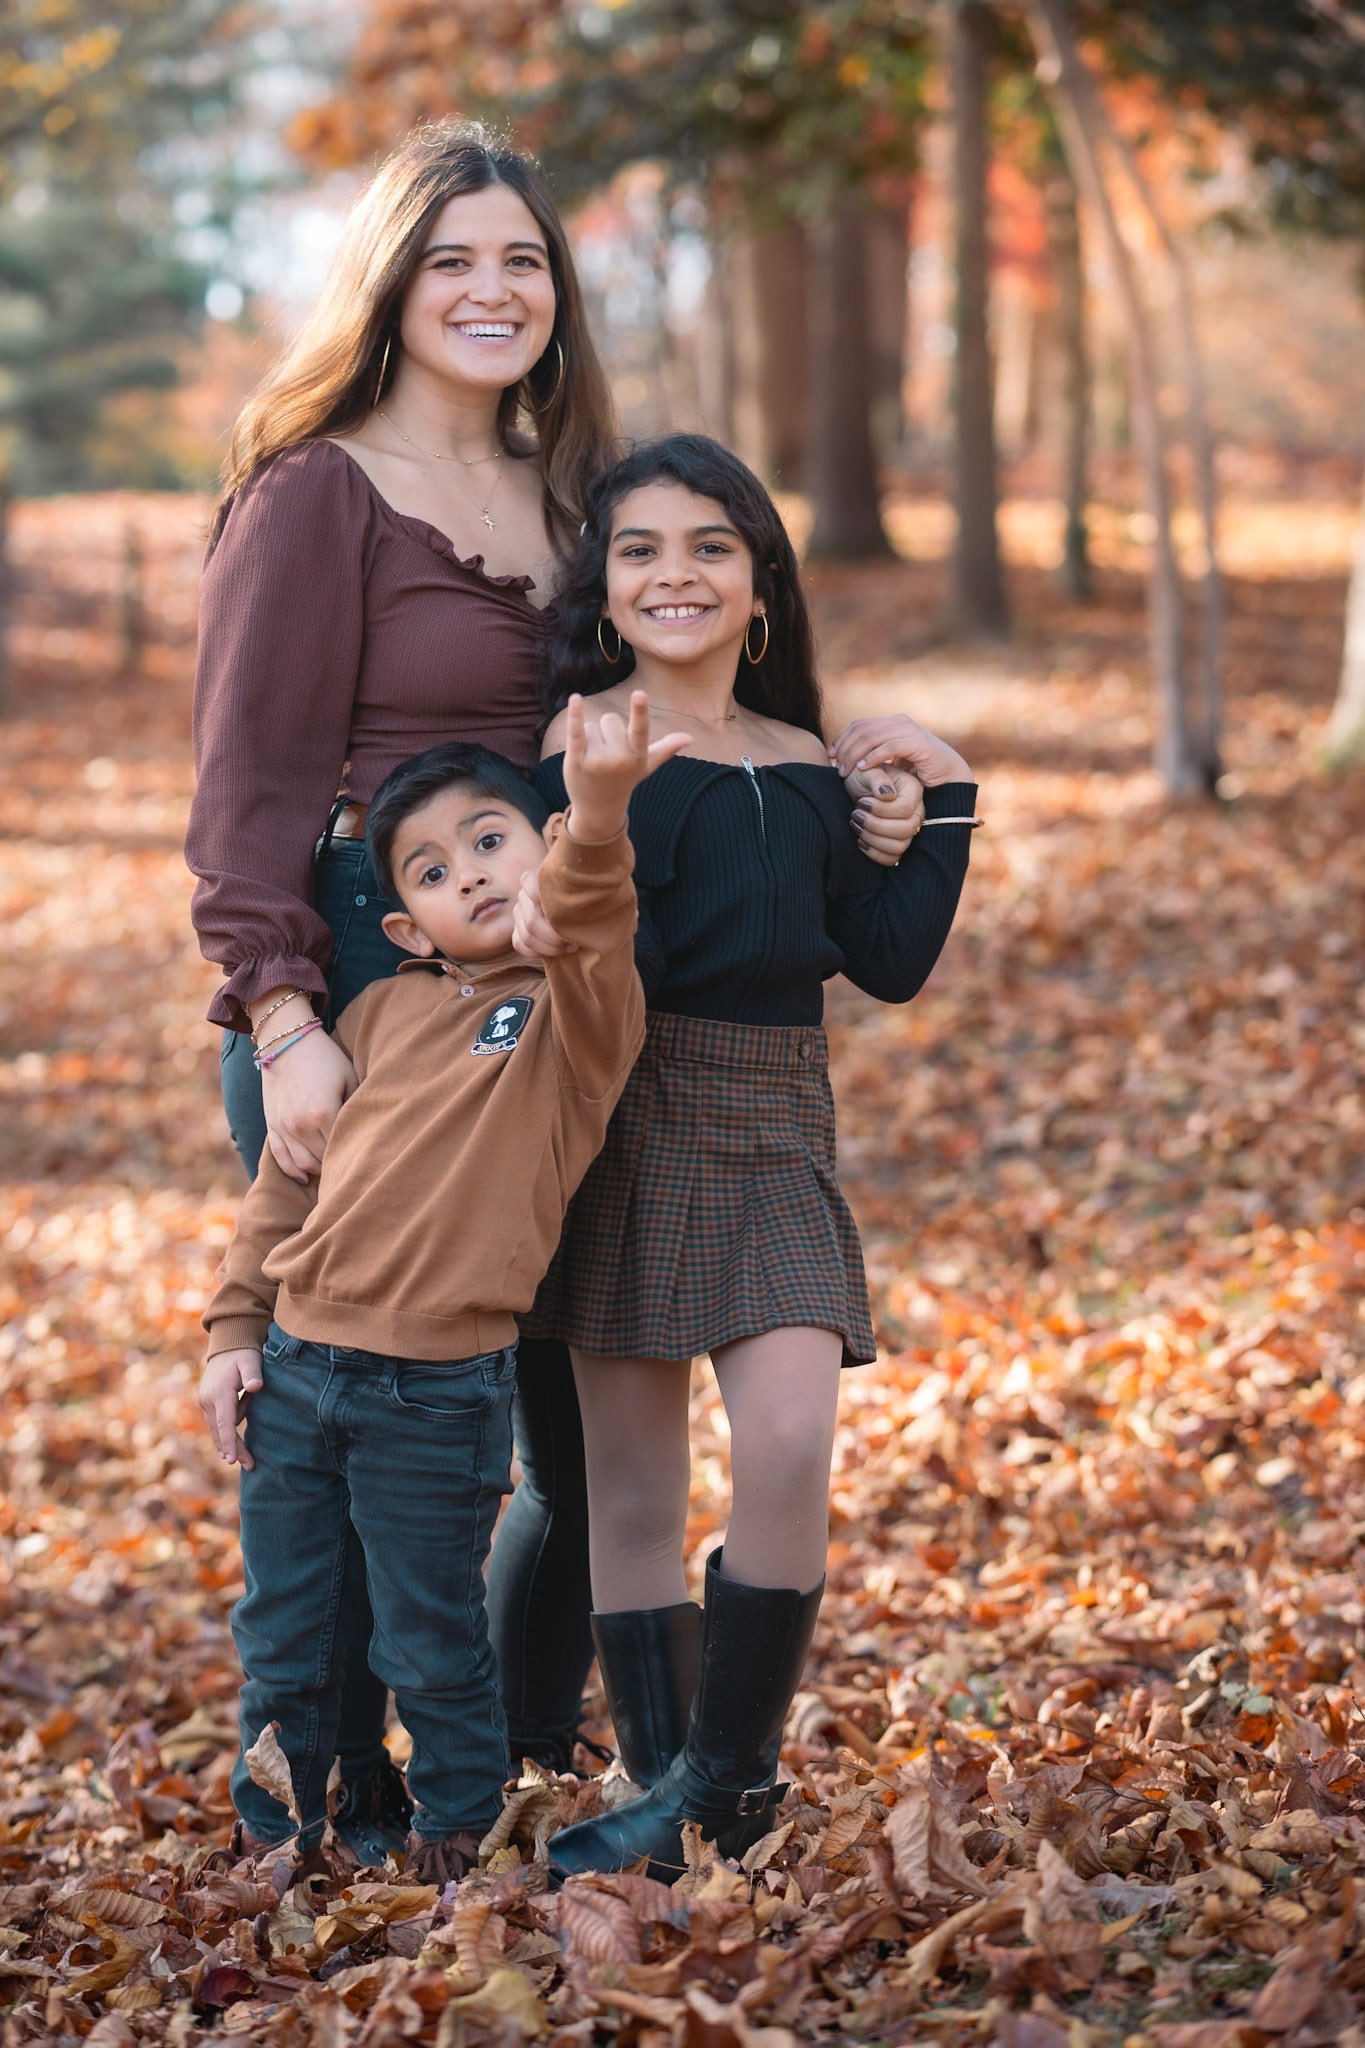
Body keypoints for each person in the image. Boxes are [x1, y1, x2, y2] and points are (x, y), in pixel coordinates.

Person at [184, 118, 924, 1855]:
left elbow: (689, 675)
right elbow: (244, 795)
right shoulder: (316, 492)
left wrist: (857, 788)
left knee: (575, 1439)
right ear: (390, 285)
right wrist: (282, 1019)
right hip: (366, 984)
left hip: (569, 987)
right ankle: (327, 1795)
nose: (492, 289)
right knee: (365, 1414)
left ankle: (519, 1767)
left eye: (523, 258)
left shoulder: (577, 490)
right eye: (451, 259)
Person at [519, 435, 980, 1878]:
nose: (677, 574)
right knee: (634, 1489)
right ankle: (670, 1796)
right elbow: (612, 963)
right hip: (625, 1114)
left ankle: (725, 1783)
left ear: (761, 586)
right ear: (606, 591)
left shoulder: (805, 763)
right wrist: (600, 811)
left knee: (787, 1443)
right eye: (641, 549)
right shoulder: (582, 750)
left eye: (711, 546)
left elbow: (885, 960)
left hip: (778, 1124)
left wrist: (945, 799)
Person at [197, 697, 689, 1882]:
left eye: (490, 840)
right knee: (285, 1628)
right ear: (404, 926)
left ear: (541, 850)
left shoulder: (575, 1019)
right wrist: (233, 1326)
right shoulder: (374, 1012)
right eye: (430, 869)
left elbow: (592, 918)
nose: (467, 873)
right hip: (299, 1365)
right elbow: (286, 1182)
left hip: (437, 1388)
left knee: (430, 1634)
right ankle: (284, 1832)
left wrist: (594, 822)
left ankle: (457, 1834)